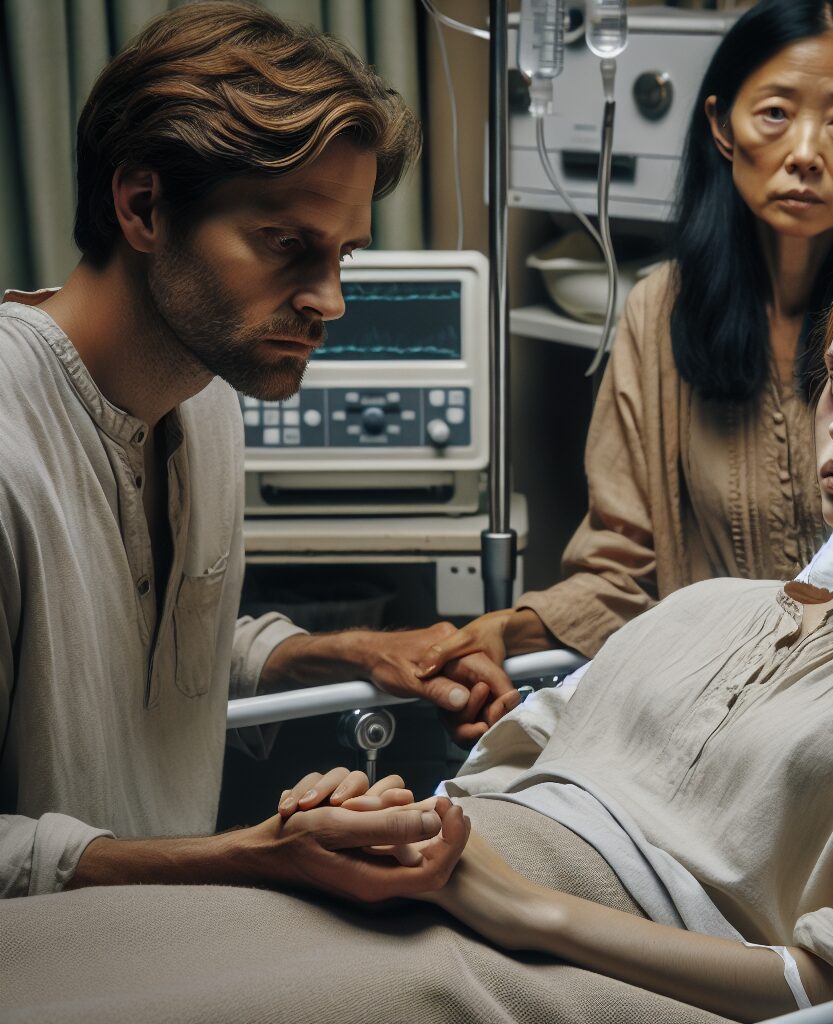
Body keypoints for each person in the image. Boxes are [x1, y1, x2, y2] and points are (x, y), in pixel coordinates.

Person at [4, 218, 833, 1024]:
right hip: (407, 888)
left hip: (556, 968)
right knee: (50, 956)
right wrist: (385, 814)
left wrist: (520, 909)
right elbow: (487, 781)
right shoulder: (710, 607)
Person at [0, 2, 517, 901]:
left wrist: (355, 650)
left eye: (344, 256)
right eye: (287, 244)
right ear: (143, 205)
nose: (330, 301)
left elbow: (160, 645)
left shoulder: (204, 398)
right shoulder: (11, 456)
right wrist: (249, 860)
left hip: (162, 943)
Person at [419, 0, 833, 679]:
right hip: (711, 687)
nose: (806, 154)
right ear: (722, 125)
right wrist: (506, 630)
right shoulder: (663, 310)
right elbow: (621, 574)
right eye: (775, 113)